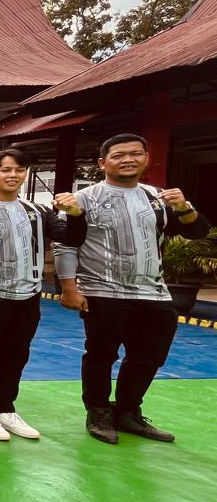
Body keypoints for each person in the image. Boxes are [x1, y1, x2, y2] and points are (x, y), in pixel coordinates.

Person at [55, 133, 210, 444]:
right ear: (103, 163)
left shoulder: (159, 198)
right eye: (118, 155)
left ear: (146, 159)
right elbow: (65, 244)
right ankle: (98, 412)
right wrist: (69, 288)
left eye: (135, 153)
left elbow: (197, 231)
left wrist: (184, 207)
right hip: (103, 291)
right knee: (100, 355)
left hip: (153, 292)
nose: (128, 159)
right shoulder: (83, 199)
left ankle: (128, 411)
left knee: (149, 356)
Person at [0, 150, 87, 441]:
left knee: (16, 354)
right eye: (5, 170)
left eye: (19, 170)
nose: (13, 175)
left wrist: (76, 215)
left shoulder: (37, 211)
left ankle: (4, 406)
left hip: (28, 295)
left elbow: (71, 237)